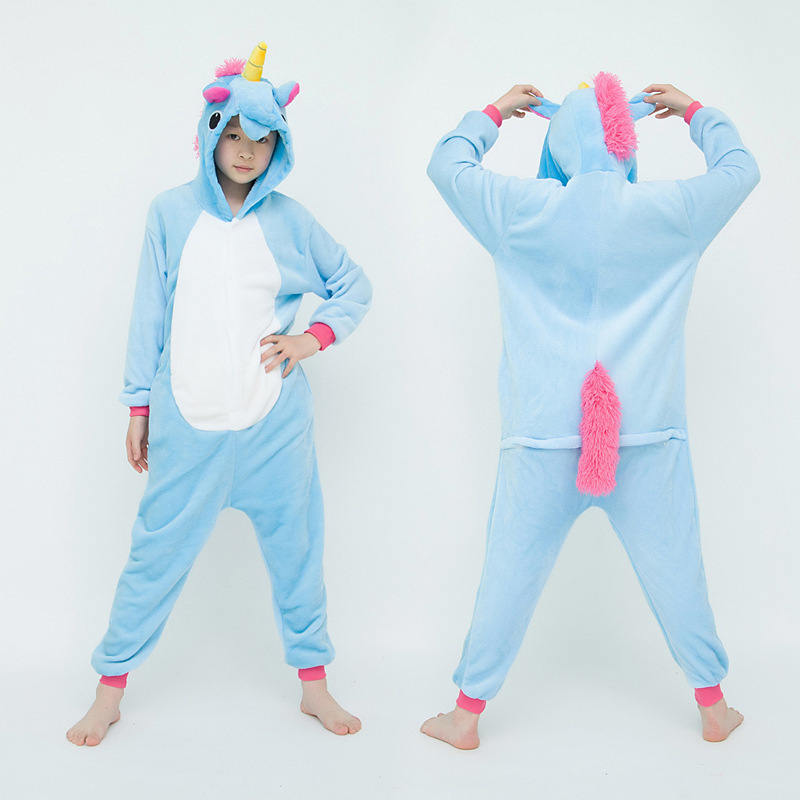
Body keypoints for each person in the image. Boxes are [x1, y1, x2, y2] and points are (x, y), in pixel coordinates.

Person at [420, 74, 759, 750]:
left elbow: (445, 165)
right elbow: (740, 170)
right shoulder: (670, 210)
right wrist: (694, 112)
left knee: (507, 574)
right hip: (648, 434)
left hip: (542, 436)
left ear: (559, 145)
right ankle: (714, 706)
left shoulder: (521, 208)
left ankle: (466, 715)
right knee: (678, 571)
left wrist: (495, 113)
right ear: (626, 142)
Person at [66, 42, 371, 747]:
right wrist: (139, 406)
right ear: (210, 134)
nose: (246, 150)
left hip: (275, 428)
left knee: (299, 555)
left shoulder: (290, 221)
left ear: (278, 148)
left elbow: (353, 284)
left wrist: (311, 338)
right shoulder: (171, 213)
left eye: (262, 139)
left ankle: (314, 686)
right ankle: (110, 692)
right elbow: (149, 314)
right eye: (233, 134)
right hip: (189, 423)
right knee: (152, 560)